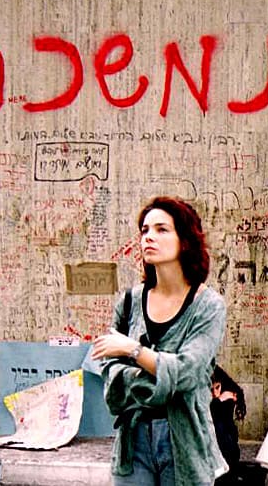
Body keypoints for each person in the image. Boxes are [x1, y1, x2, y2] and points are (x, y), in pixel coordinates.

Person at [93, 197, 228, 485]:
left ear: (185, 239)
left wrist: (133, 350)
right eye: (144, 230)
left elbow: (188, 373)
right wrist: (161, 377)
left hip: (185, 440)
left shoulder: (208, 306)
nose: (149, 237)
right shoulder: (129, 302)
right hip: (133, 439)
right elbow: (110, 375)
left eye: (162, 229)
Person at [210, 366, 247, 485]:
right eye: (211, 390)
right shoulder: (220, 396)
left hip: (226, 445)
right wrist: (219, 400)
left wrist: (220, 401)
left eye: (217, 388)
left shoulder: (228, 390)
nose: (215, 393)